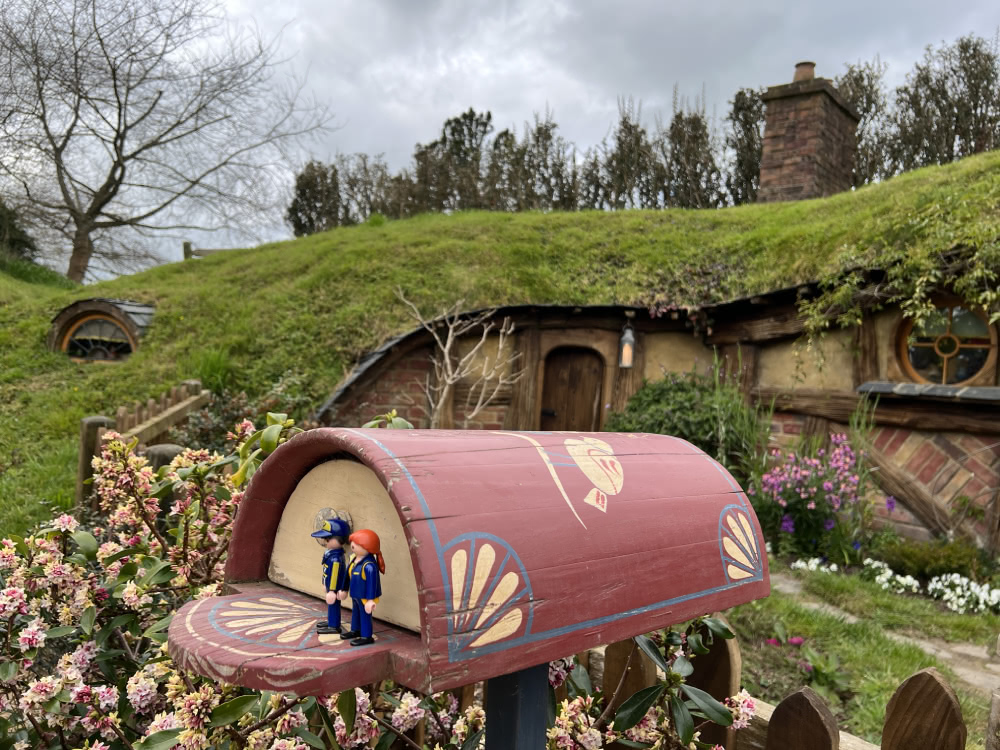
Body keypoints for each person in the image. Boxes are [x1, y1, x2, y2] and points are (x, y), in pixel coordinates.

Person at [340, 529, 385, 646]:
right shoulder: (354, 560)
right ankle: (355, 630)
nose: (353, 545)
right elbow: (347, 576)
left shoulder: (369, 566)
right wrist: (344, 589)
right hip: (355, 594)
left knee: (365, 615)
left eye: (358, 544)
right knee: (355, 613)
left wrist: (370, 600)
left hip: (365, 597)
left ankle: (366, 636)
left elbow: (372, 584)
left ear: (368, 547)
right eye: (353, 542)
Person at [311, 518, 351, 635]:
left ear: (340, 540)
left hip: (334, 587)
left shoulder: (336, 558)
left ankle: (334, 626)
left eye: (328, 539)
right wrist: (324, 583)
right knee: (331, 605)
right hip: (329, 586)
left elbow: (334, 575)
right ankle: (331, 622)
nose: (325, 542)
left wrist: (332, 591)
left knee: (333, 605)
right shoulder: (331, 553)